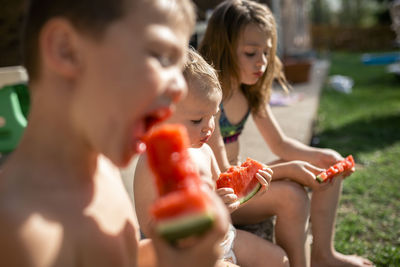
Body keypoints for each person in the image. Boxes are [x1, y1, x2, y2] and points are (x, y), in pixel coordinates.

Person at [0, 0, 231, 266]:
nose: (180, 87)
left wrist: (170, 254)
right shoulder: (19, 233)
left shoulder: (102, 170)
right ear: (66, 50)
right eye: (160, 56)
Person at [199, 0, 374, 267]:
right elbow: (223, 175)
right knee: (292, 196)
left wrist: (321, 155)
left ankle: (323, 254)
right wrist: (290, 169)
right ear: (223, 48)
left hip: (240, 186)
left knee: (328, 163)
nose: (262, 62)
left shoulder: (249, 92)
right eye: (250, 53)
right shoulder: (209, 100)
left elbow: (280, 143)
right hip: (220, 197)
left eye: (267, 53)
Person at [134, 48, 289, 267]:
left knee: (279, 260)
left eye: (214, 115)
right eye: (197, 120)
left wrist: (250, 189)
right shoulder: (152, 163)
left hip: (227, 240)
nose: (209, 127)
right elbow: (150, 228)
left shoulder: (204, 151)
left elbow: (226, 194)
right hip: (188, 258)